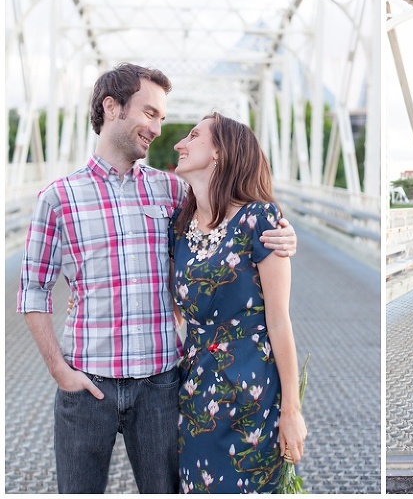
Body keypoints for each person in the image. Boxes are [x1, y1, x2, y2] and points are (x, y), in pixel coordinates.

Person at [17, 63, 298, 494]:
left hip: (162, 386)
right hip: (87, 384)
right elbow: (33, 290)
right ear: (112, 108)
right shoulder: (58, 198)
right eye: (150, 114)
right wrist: (59, 371)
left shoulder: (171, 193)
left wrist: (282, 236)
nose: (158, 129)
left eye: (162, 118)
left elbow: (226, 218)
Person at [170, 112, 307, 493]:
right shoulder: (179, 229)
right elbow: (171, 304)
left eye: (193, 136)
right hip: (195, 394)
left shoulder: (259, 220)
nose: (179, 143)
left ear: (220, 152)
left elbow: (280, 321)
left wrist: (291, 411)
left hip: (251, 397)